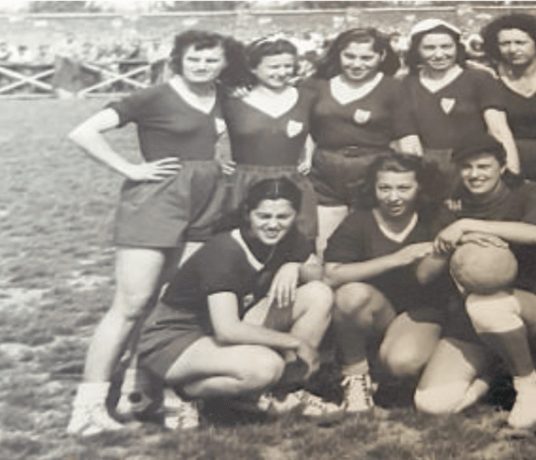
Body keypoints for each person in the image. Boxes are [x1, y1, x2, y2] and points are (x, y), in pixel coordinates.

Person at [66, 30, 241, 436]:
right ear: (178, 60)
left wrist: (214, 166)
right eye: (194, 59)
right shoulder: (154, 96)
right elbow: (82, 132)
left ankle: (139, 389)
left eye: (211, 60)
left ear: (223, 63)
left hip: (206, 202)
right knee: (132, 304)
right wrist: (129, 168)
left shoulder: (222, 96)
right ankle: (87, 409)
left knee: (171, 303)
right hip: (156, 201)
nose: (202, 66)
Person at [136, 178, 337, 430]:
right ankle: (182, 392)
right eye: (264, 216)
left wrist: (294, 265)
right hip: (174, 338)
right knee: (266, 366)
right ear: (248, 214)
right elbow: (227, 330)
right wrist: (296, 343)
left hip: (220, 329)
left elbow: (319, 275)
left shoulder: (288, 238)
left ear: (295, 215)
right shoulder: (225, 250)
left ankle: (283, 391)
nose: (273, 224)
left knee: (319, 294)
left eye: (283, 217)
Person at [414, 133, 536, 430]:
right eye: (467, 167)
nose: (474, 174)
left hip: (529, 307)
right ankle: (497, 372)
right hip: (468, 314)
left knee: (488, 304)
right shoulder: (452, 204)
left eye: (483, 166)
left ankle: (530, 386)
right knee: (432, 404)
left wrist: (467, 226)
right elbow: (424, 275)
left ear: (502, 167)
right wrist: (452, 243)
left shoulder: (529, 192)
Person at [324, 153, 455, 413]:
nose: (393, 197)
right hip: (377, 311)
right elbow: (332, 274)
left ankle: (388, 371)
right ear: (373, 188)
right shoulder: (359, 220)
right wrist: (396, 259)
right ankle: (356, 376)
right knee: (350, 295)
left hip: (422, 312)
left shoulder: (436, 217)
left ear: (419, 187)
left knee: (402, 363)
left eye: (403, 188)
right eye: (384, 188)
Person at [303, 28, 411, 254]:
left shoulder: (393, 87)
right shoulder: (316, 85)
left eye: (366, 58)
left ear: (381, 56)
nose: (356, 64)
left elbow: (406, 136)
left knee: (372, 244)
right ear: (338, 54)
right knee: (326, 246)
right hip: (326, 172)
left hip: (373, 172)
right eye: (349, 56)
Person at [397, 19, 520, 189]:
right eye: (429, 48)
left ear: (457, 47)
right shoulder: (406, 84)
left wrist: (512, 174)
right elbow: (408, 140)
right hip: (430, 170)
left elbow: (498, 129)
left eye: (446, 47)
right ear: (417, 50)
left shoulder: (479, 79)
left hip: (473, 166)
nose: (439, 54)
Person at [221, 37, 318, 244]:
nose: (282, 72)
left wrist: (308, 154)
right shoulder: (234, 100)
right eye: (274, 67)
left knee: (297, 247)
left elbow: (312, 130)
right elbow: (207, 132)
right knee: (242, 245)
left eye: (287, 66)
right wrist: (217, 159)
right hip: (244, 183)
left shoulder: (307, 97)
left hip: (292, 182)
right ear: (253, 68)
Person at [480, 13, 536, 200]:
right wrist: (512, 176)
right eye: (505, 44)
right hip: (512, 159)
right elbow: (498, 130)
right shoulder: (491, 77)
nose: (512, 49)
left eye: (520, 42)